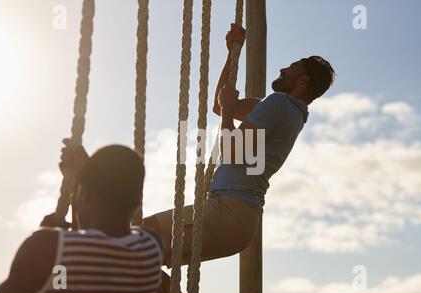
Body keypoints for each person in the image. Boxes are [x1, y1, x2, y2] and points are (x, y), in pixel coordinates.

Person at [143, 23, 336, 267]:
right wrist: (232, 53)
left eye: (291, 68)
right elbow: (220, 104)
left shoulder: (278, 103)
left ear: (303, 80)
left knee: (134, 237)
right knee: (142, 261)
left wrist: (226, 114)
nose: (283, 69)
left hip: (227, 211)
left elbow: (232, 151)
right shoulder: (292, 113)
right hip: (240, 222)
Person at [0, 143, 165, 293]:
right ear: (136, 204)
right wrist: (88, 179)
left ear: (87, 195)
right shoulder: (152, 248)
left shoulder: (45, 248)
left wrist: (49, 234)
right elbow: (96, 244)